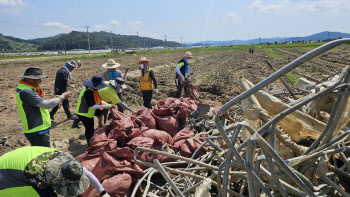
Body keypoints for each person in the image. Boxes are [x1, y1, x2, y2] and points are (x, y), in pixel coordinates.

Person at [0, 146, 110, 197]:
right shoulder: (38, 176)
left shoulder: (68, 161)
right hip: (6, 175)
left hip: (22, 158)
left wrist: (102, 192)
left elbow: (86, 172)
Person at [16, 67, 72, 147]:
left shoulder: (29, 88)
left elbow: (40, 103)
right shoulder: (26, 91)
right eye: (39, 78)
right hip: (37, 130)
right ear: (31, 79)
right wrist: (62, 97)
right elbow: (46, 105)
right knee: (44, 155)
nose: (41, 81)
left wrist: (56, 99)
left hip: (40, 127)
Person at [76, 75, 112, 146]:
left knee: (91, 127)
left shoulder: (93, 90)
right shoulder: (88, 92)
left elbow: (98, 100)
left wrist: (107, 104)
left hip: (88, 113)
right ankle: (90, 144)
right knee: (89, 129)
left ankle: (91, 142)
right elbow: (92, 106)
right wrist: (105, 106)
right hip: (84, 113)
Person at [49, 60, 81, 128]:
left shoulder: (61, 70)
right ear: (69, 66)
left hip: (58, 88)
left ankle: (67, 114)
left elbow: (57, 81)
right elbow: (63, 82)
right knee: (62, 103)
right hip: (61, 90)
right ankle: (68, 115)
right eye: (73, 68)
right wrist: (65, 91)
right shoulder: (65, 72)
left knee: (63, 103)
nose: (73, 69)